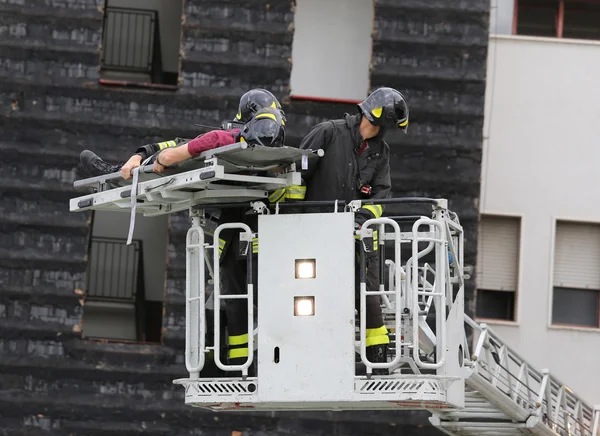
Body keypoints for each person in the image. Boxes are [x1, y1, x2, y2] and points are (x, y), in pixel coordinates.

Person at [296, 87, 409, 374]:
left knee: (368, 292)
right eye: (383, 125)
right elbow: (296, 176)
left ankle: (378, 358)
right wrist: (296, 222)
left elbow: (381, 194)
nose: (382, 132)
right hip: (314, 236)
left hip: (357, 238)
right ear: (371, 116)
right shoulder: (328, 134)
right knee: (316, 296)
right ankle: (315, 356)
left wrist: (361, 218)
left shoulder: (380, 151)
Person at [79, 88, 285, 179]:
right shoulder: (279, 157)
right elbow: (179, 143)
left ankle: (111, 171)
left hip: (169, 162)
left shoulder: (221, 138)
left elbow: (170, 153)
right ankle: (123, 165)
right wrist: (140, 154)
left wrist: (158, 157)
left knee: (174, 147)